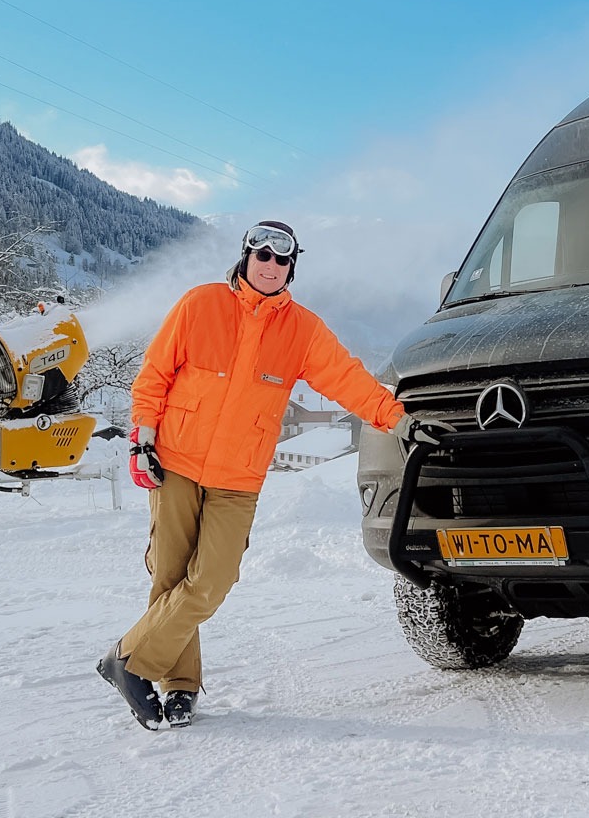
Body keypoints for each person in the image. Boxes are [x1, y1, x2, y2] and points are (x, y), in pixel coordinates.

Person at [97, 219, 447, 729]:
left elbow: (348, 379)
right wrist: (142, 440)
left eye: (283, 259)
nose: (271, 265)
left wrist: (399, 421)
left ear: (291, 268)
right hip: (176, 462)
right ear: (246, 257)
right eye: (262, 255)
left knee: (212, 580)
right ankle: (179, 686)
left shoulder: (301, 329)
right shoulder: (200, 304)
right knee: (170, 576)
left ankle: (126, 659)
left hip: (238, 478)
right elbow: (154, 376)